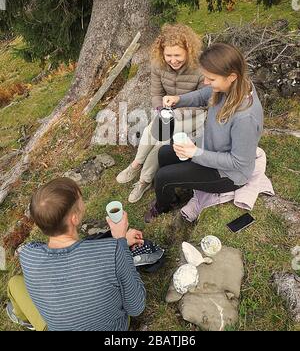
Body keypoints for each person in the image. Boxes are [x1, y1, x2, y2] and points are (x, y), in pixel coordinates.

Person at [144, 42, 264, 222]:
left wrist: (195, 153)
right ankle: (176, 191)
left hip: (228, 175)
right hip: (210, 148)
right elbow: (204, 94)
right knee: (164, 153)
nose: (206, 82)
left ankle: (163, 206)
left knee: (163, 177)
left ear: (231, 76)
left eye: (211, 79)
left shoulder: (245, 118)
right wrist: (179, 99)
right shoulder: (230, 87)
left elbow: (238, 162)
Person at [6, 178, 146, 331]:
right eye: (80, 199)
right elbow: (136, 307)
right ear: (74, 218)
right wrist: (120, 241)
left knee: (14, 283)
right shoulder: (113, 252)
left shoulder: (28, 255)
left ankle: (27, 321)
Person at [116, 23, 204, 203]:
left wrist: (176, 113)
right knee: (159, 136)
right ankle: (139, 169)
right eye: (168, 55)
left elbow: (204, 102)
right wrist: (161, 110)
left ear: (188, 51)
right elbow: (156, 94)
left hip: (195, 115)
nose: (173, 60)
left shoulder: (200, 68)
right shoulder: (158, 65)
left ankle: (142, 178)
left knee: (159, 135)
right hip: (168, 111)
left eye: (177, 55)